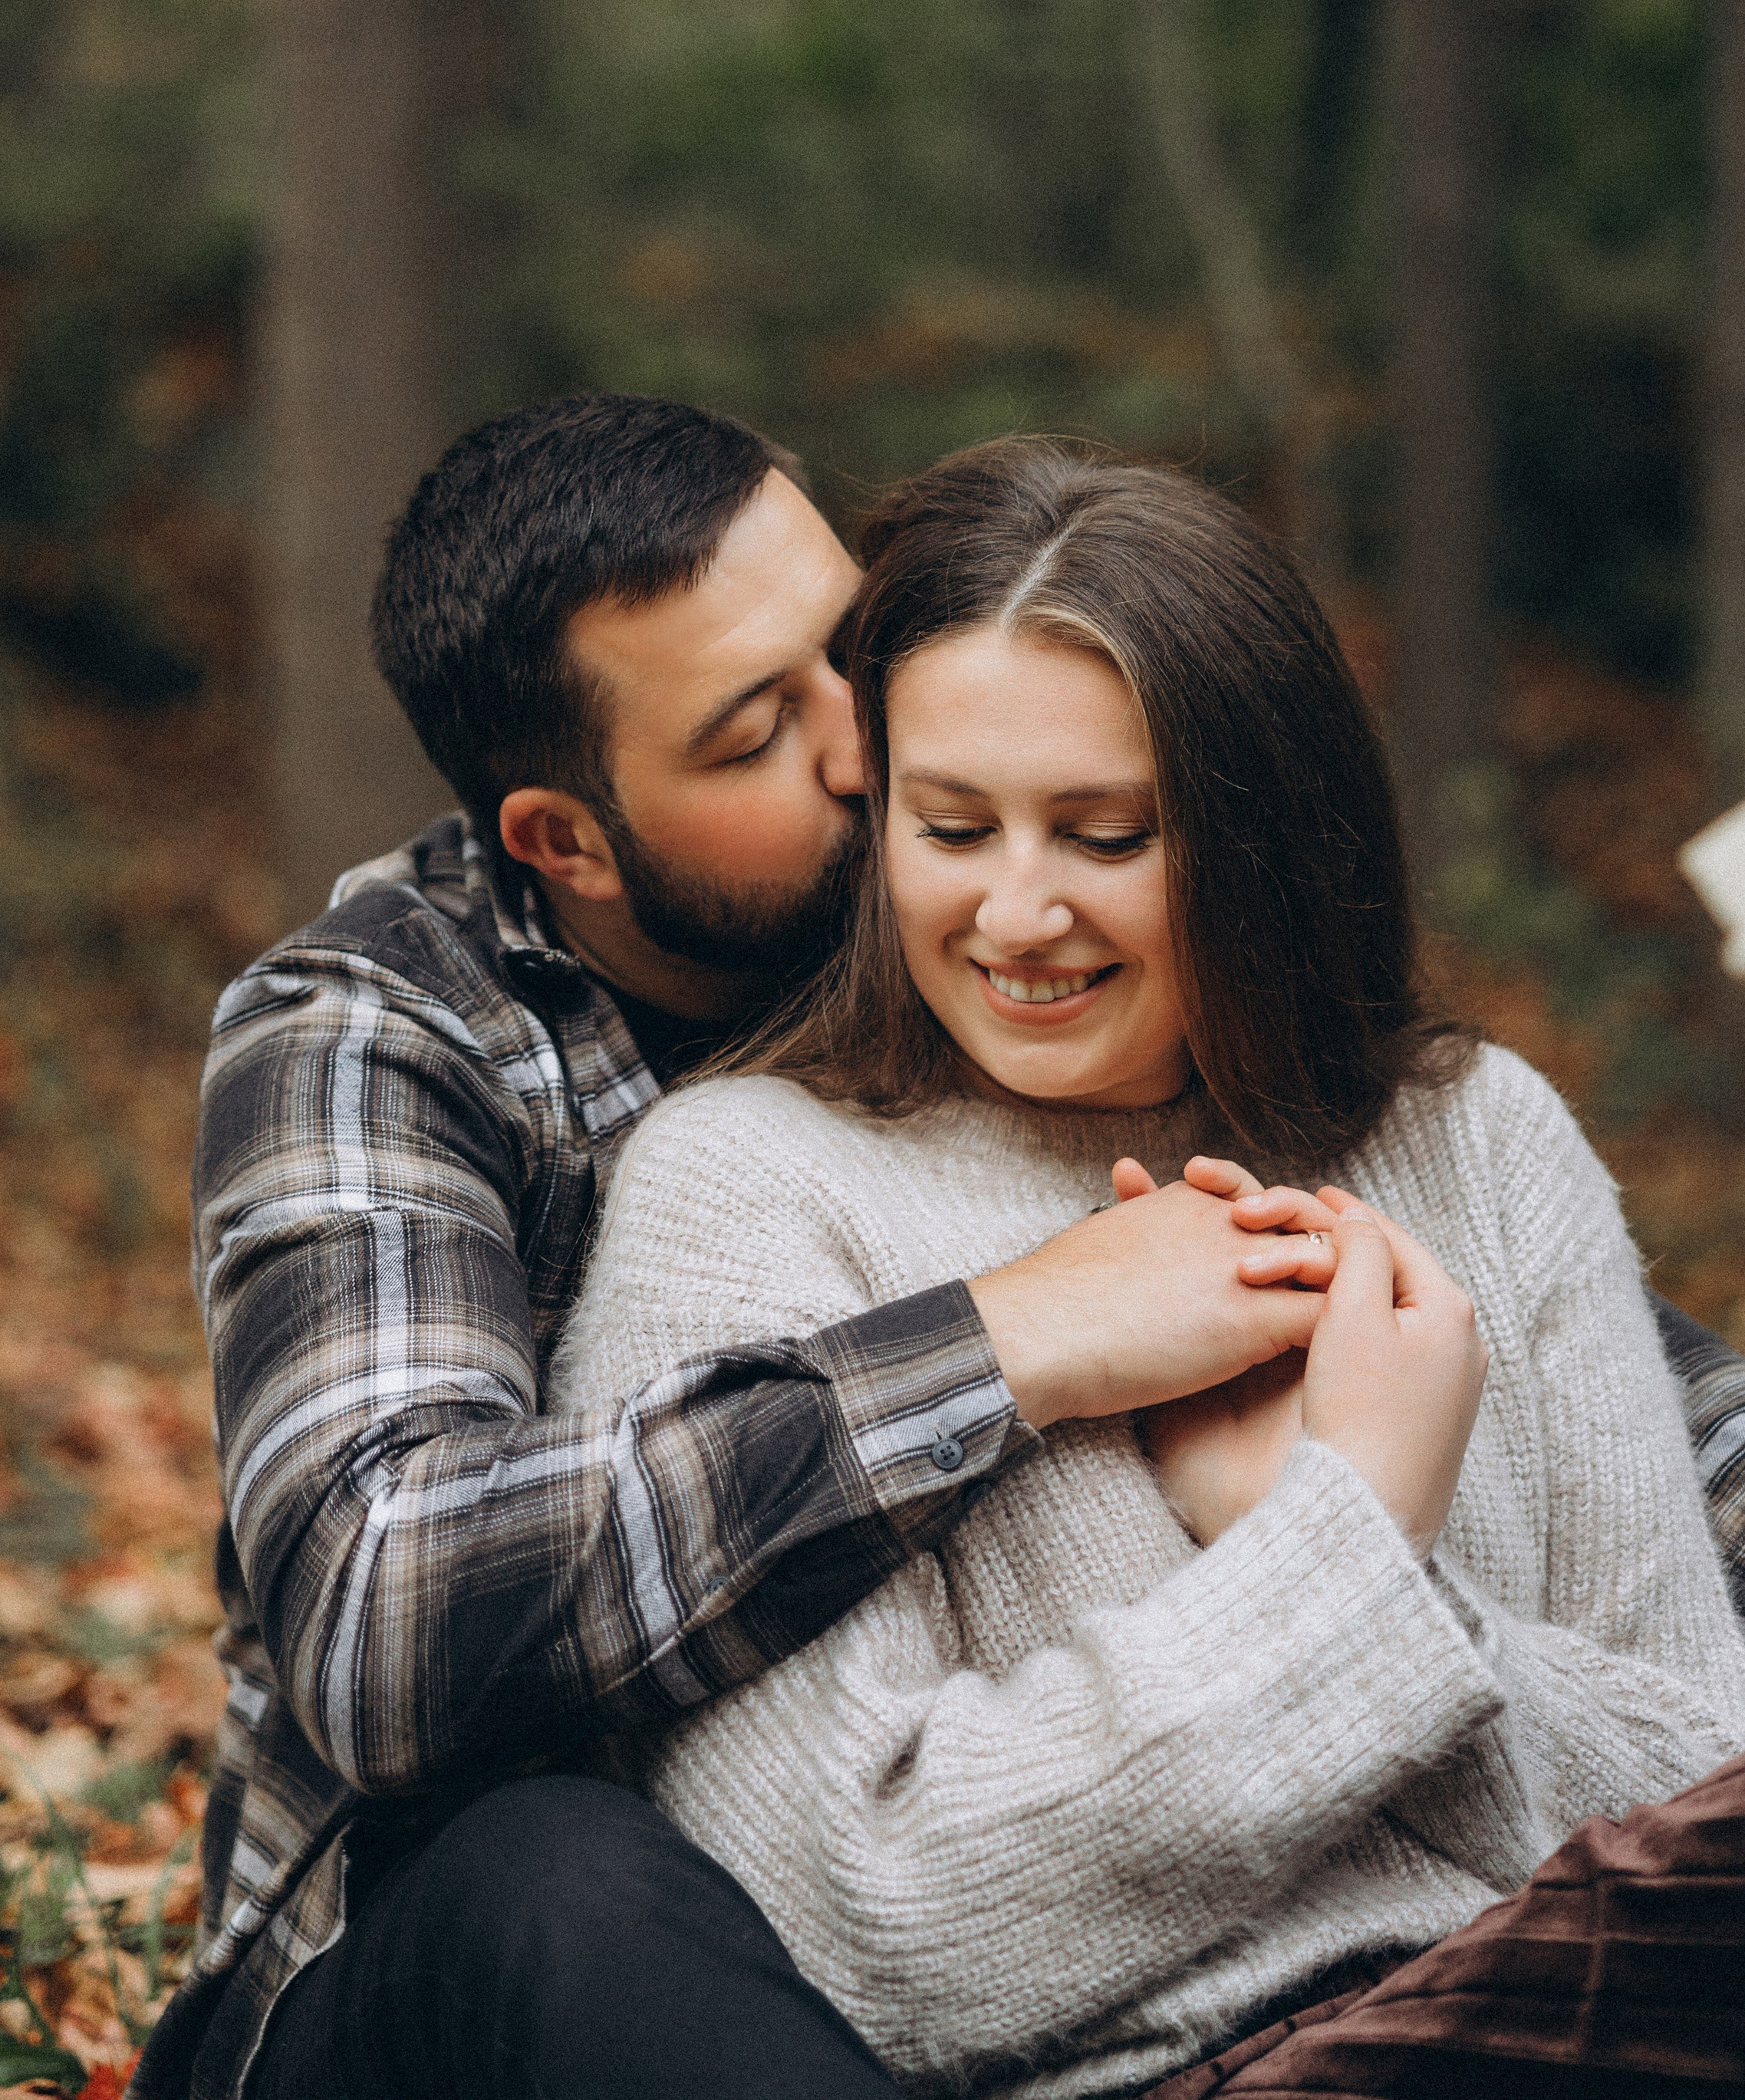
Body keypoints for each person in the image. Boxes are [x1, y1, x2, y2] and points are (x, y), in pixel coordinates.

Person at [139, 396, 1390, 2100]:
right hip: (440, 1983)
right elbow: (386, 1617)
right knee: (556, 1870)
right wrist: (1011, 1338)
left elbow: (1584, 1363)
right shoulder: (378, 1030)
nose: (864, 747)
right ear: (564, 842)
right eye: (750, 736)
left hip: (938, 1948)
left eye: (848, 650)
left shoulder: (982, 927)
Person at [548, 439, 1745, 2095]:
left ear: (1262, 838)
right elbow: (864, 1920)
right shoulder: (748, 1188)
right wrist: (1342, 1552)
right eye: (950, 826)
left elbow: (1702, 1787)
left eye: (1104, 837)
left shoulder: (1477, 1136)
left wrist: (1332, 1554)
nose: (1015, 914)